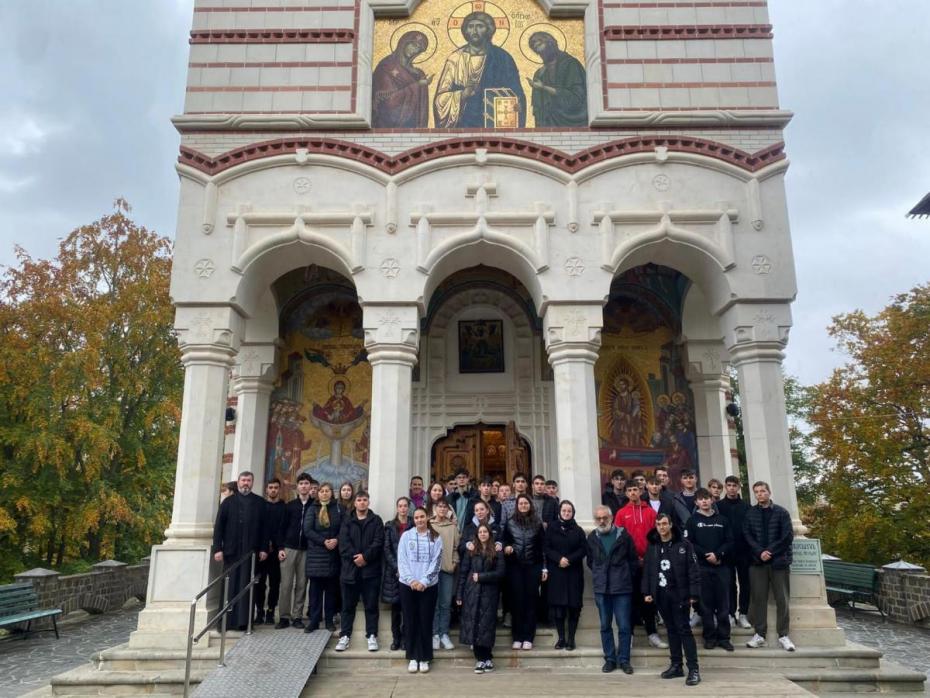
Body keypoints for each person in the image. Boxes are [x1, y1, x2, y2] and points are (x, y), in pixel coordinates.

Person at [433, 10, 526, 128]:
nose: (474, 31)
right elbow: (440, 98)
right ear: (466, 31)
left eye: (480, 26)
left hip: (494, 120)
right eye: (470, 27)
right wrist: (463, 94)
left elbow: (515, 91)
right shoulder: (455, 58)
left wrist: (517, 103)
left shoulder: (502, 57)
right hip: (463, 122)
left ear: (488, 30)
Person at [643, 513, 702, 686]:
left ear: (670, 525)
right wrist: (647, 591)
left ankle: (694, 669)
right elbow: (648, 570)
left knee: (684, 630)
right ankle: (676, 665)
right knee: (671, 630)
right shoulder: (653, 546)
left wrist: (693, 594)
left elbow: (693, 570)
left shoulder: (684, 545)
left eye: (664, 524)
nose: (661, 527)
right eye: (658, 524)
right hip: (661, 595)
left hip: (680, 594)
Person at [212, 472, 269, 630]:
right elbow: (219, 527)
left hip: (251, 554)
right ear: (238, 482)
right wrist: (217, 549)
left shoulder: (259, 503)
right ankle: (226, 622)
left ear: (252, 483)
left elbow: (265, 529)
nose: (246, 483)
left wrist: (264, 548)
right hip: (231, 552)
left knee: (247, 587)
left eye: (248, 480)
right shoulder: (228, 502)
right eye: (243, 480)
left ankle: (244, 622)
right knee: (229, 586)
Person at [743, 481, 795, 651]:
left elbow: (787, 536)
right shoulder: (750, 513)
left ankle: (784, 635)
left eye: (763, 491)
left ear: (769, 492)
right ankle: (759, 634)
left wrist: (770, 551)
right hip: (757, 563)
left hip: (779, 562)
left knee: (782, 599)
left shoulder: (781, 512)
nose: (760, 494)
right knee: (758, 600)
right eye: (757, 492)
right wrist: (760, 552)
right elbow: (747, 536)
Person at [586, 505, 637, 675]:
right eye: (598, 518)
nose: (602, 521)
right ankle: (610, 659)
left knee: (624, 626)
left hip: (622, 588)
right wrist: (600, 574)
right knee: (605, 625)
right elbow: (590, 561)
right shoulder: (592, 537)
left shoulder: (624, 536)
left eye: (605, 518)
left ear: (611, 517)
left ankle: (624, 660)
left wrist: (625, 575)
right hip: (602, 589)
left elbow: (633, 560)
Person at [614, 481, 665, 650]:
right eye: (629, 490)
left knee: (648, 599)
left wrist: (648, 557)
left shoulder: (650, 512)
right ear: (626, 493)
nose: (633, 493)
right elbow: (618, 540)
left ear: (640, 491)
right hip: (629, 564)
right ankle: (628, 636)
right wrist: (633, 558)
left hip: (649, 563)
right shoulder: (621, 513)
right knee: (629, 600)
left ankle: (652, 634)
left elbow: (656, 538)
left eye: (635, 489)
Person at [335, 491, 384, 652]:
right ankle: (345, 636)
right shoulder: (347, 521)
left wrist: (365, 557)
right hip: (350, 571)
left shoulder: (376, 520)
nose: (362, 502)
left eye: (364, 500)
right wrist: (357, 557)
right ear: (355, 503)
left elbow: (378, 542)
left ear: (368, 502)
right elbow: (343, 543)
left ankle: (372, 636)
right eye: (359, 500)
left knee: (371, 606)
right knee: (347, 607)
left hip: (371, 572)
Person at [686, 488, 734, 651]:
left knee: (723, 605)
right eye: (701, 499)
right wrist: (706, 555)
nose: (704, 501)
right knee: (705, 606)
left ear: (712, 500)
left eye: (707, 498)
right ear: (696, 502)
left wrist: (718, 554)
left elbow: (730, 541)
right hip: (702, 568)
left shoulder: (723, 520)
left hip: (721, 567)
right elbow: (689, 543)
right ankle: (710, 637)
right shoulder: (692, 521)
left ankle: (724, 638)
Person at [397, 507, 444, 673]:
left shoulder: (436, 537)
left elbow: (436, 562)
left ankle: (425, 657)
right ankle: (412, 657)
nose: (419, 520)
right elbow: (402, 560)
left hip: (428, 586)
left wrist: (424, 581)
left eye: (422, 517)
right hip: (407, 585)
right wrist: (411, 580)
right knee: (410, 621)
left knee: (425, 620)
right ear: (414, 519)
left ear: (427, 518)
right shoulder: (406, 536)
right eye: (416, 518)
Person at [457, 523, 505, 674]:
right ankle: (480, 659)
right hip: (472, 591)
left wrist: (482, 577)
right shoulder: (471, 550)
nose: (483, 534)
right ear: (477, 535)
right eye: (480, 532)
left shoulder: (496, 551)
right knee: (474, 624)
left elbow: (500, 573)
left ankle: (487, 657)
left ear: (490, 534)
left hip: (489, 594)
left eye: (485, 532)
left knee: (486, 625)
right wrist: (459, 594)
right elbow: (464, 572)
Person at [502, 494, 546, 650]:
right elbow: (504, 540)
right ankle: (517, 636)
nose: (523, 505)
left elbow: (543, 547)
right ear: (517, 505)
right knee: (517, 602)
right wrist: (506, 547)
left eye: (526, 503)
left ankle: (528, 637)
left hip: (533, 566)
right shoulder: (510, 522)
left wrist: (544, 567)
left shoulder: (537, 523)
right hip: (515, 567)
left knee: (531, 602)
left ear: (530, 505)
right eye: (520, 503)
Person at [544, 500, 586, 650]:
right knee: (558, 608)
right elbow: (547, 547)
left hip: (573, 572)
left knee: (574, 607)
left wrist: (569, 559)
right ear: (559, 512)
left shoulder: (578, 530)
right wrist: (559, 559)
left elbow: (583, 549)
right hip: (557, 572)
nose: (566, 513)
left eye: (569, 511)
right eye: (564, 511)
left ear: (573, 513)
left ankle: (571, 639)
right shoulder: (552, 528)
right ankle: (561, 638)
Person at [304, 482, 343, 632]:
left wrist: (336, 540)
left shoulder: (338, 508)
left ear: (332, 493)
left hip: (333, 555)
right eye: (322, 491)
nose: (324, 493)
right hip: (316, 555)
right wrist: (323, 541)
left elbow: (344, 528)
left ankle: (329, 621)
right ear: (318, 493)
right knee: (315, 592)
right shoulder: (312, 509)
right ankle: (314, 621)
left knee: (331, 591)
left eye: (327, 491)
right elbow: (308, 530)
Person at [526, 31, 587, 127]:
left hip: (574, 121)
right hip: (549, 125)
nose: (540, 51)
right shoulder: (540, 73)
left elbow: (577, 99)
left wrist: (544, 87)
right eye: (536, 49)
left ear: (550, 43)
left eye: (540, 44)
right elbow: (539, 109)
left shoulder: (571, 64)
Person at [372, 30, 431, 128]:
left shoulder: (418, 73)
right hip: (387, 126)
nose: (414, 50)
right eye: (413, 45)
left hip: (413, 127)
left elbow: (422, 108)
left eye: (418, 49)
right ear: (404, 42)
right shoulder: (386, 66)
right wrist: (418, 85)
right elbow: (388, 102)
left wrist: (421, 84)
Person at [277, 472, 313, 629]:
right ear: (297, 487)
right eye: (301, 484)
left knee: (301, 584)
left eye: (306, 483)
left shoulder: (315, 506)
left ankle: (297, 616)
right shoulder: (290, 506)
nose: (304, 486)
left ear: (310, 486)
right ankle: (284, 617)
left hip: (307, 550)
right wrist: (280, 548)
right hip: (289, 548)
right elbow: (281, 528)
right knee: (286, 584)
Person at [718, 475, 752, 629]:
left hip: (743, 551)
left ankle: (743, 613)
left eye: (734, 485)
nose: (731, 488)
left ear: (738, 487)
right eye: (729, 485)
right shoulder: (718, 506)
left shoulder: (746, 506)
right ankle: (730, 613)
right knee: (729, 584)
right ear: (725, 487)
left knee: (745, 583)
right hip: (726, 552)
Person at [429, 499, 460, 651]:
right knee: (433, 603)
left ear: (448, 510)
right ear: (435, 509)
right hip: (431, 571)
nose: (442, 509)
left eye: (444, 507)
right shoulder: (429, 524)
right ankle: (435, 634)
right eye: (439, 506)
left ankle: (444, 633)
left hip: (447, 569)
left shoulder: (452, 526)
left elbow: (456, 547)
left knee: (446, 603)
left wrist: (454, 562)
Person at [382, 497, 412, 651]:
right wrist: (397, 568)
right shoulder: (389, 526)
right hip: (394, 574)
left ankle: (406, 638)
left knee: (407, 609)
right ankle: (396, 639)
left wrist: (407, 569)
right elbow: (386, 549)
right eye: (400, 506)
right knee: (395, 609)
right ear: (397, 508)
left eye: (405, 506)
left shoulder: (413, 524)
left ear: (409, 507)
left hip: (410, 572)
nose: (403, 508)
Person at [255, 478, 286, 625]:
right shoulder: (260, 506)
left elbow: (283, 529)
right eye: (271, 487)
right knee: (259, 583)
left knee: (275, 584)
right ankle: (259, 611)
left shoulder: (284, 507)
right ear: (266, 489)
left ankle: (271, 612)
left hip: (277, 552)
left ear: (279, 489)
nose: (273, 490)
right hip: (262, 552)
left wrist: (280, 547)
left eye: (276, 487)